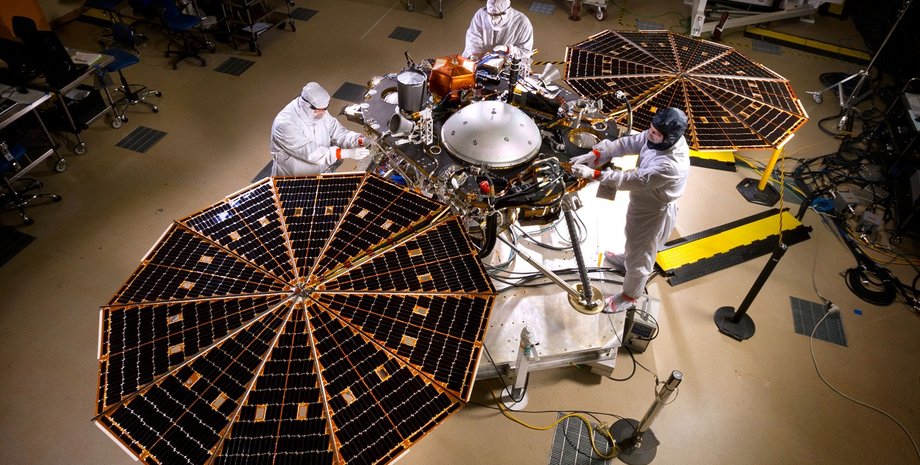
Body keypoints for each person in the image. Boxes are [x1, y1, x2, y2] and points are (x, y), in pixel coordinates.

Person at [570, 107, 690, 313]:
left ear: (670, 137)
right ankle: (627, 259)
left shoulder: (670, 165)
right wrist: (596, 153)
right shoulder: (659, 137)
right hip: (643, 201)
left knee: (641, 254)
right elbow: (629, 142)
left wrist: (593, 174)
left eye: (655, 133)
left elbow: (630, 179)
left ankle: (630, 296)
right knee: (633, 237)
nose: (650, 134)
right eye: (651, 129)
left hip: (653, 211)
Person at [270, 82, 370, 176]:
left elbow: (338, 133)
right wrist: (346, 153)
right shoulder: (285, 124)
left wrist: (359, 140)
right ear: (306, 105)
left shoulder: (319, 111)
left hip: (321, 173)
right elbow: (311, 153)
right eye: (319, 110)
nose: (323, 113)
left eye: (325, 109)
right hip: (294, 179)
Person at [462, 0, 534, 62]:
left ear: (506, 11)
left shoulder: (522, 22)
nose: (492, 18)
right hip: (480, 60)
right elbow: (473, 38)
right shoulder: (481, 14)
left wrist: (508, 49)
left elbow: (525, 52)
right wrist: (478, 55)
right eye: (490, 14)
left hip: (506, 65)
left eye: (496, 15)